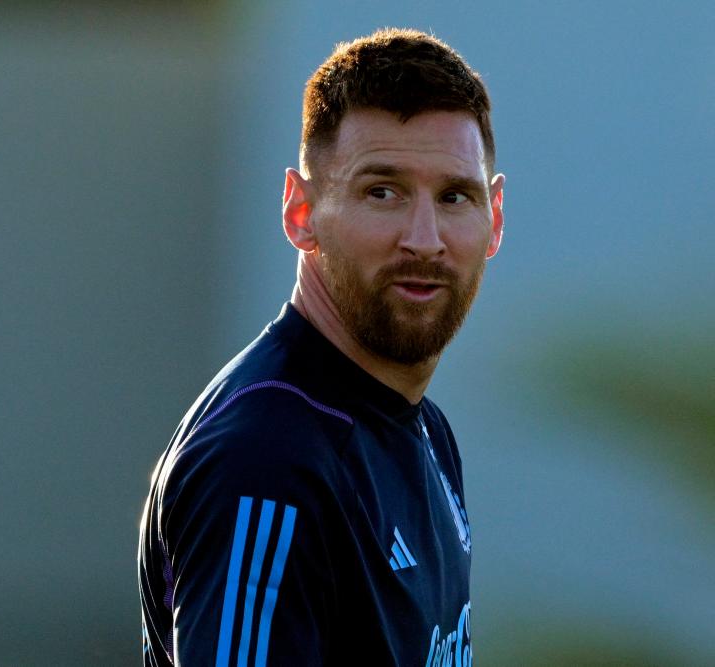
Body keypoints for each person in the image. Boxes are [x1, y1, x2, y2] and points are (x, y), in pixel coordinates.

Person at [139, 27, 504, 666]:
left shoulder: (424, 431)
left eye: (453, 197)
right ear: (301, 213)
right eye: (381, 192)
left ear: (493, 219)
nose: (424, 238)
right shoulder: (268, 460)